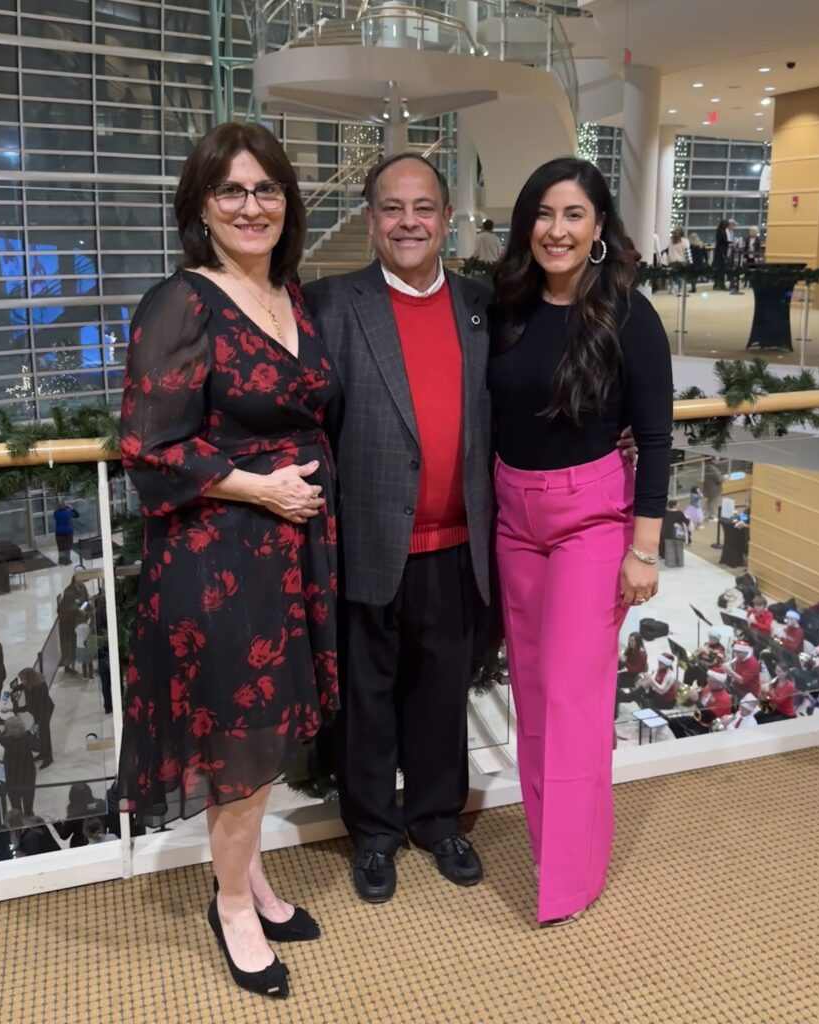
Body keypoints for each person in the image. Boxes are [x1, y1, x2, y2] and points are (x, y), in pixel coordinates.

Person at [117, 121, 337, 998]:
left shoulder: (290, 295)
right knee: (241, 743)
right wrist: (263, 488)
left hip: (291, 552)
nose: (252, 206)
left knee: (269, 735)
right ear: (201, 207)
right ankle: (233, 907)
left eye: (267, 189)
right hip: (219, 559)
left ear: (288, 203)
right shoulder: (183, 301)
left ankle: (249, 878)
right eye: (232, 191)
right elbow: (147, 447)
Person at [301, 154, 492, 905]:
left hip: (456, 548)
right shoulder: (330, 304)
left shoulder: (481, 306)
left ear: (446, 217)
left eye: (422, 207)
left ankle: (437, 818)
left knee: (442, 693)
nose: (407, 221)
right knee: (367, 701)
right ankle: (374, 833)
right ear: (369, 218)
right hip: (367, 544)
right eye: (390, 208)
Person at [488, 157, 673, 925]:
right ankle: (548, 844)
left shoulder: (629, 314)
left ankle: (568, 879)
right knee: (530, 693)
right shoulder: (508, 306)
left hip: (590, 519)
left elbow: (657, 441)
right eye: (542, 214)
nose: (555, 230)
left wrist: (644, 549)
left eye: (572, 215)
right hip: (511, 516)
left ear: (599, 228)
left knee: (571, 696)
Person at [0, 715, 39, 816]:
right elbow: (38, 747)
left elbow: (1, 736)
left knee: (16, 807)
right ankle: (30, 820)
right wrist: (33, 733)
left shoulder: (5, 740)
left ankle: (18, 825)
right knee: (28, 807)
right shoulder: (28, 738)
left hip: (11, 778)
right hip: (27, 776)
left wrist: (8, 729)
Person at [17, 668, 55, 769]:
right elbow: (23, 686)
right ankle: (43, 752)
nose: (21, 682)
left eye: (22, 679)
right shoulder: (29, 685)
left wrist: (12, 709)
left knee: (45, 734)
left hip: (44, 712)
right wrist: (14, 689)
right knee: (41, 733)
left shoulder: (40, 687)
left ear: (29, 679)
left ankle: (48, 757)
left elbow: (30, 706)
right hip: (37, 713)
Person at [661, 499, 690, 567]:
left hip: (667, 532)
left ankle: (670, 563)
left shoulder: (665, 512)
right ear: (675, 505)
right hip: (678, 533)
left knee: (669, 548)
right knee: (679, 548)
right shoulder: (679, 513)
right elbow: (686, 521)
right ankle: (680, 563)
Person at [665, 229, 690, 295]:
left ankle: (672, 289)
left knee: (672, 275)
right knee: (680, 275)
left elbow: (667, 250)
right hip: (681, 261)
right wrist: (690, 261)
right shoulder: (685, 241)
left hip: (671, 260)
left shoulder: (670, 241)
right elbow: (687, 252)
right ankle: (680, 289)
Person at [702, 457, 724, 522]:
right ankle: (711, 516)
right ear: (713, 460)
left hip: (711, 488)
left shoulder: (709, 467)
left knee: (709, 502)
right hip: (713, 489)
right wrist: (724, 477)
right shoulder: (712, 469)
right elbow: (719, 479)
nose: (719, 461)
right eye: (717, 460)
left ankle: (703, 514)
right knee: (712, 503)